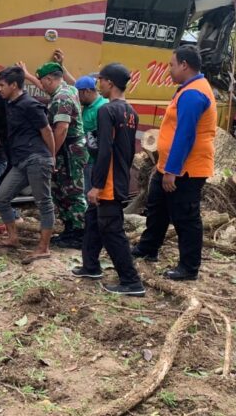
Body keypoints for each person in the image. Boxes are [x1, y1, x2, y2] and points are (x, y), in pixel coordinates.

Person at [132, 45, 217, 281]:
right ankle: (148, 249)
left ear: (184, 65)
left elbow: (185, 135)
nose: (169, 69)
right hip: (170, 165)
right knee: (157, 209)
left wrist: (172, 170)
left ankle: (189, 268)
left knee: (185, 218)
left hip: (186, 169)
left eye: (171, 65)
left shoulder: (194, 94)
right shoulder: (187, 89)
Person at [0, 62, 56, 263]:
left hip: (36, 158)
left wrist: (51, 158)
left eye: (3, 85)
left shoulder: (31, 105)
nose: (0, 88)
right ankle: (13, 238)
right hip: (20, 161)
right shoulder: (8, 101)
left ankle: (43, 248)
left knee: (44, 202)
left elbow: (47, 131)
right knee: (1, 197)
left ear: (14, 86)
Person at [72, 64, 145, 296]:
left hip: (109, 180)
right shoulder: (131, 112)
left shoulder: (107, 111)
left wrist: (97, 185)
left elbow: (105, 151)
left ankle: (131, 281)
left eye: (100, 80)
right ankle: (90, 266)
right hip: (120, 175)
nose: (98, 84)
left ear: (110, 83)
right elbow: (129, 151)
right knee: (93, 219)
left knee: (111, 229)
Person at [21, 61, 88, 249]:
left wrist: (50, 155)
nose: (41, 86)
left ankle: (80, 234)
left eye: (43, 82)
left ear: (50, 79)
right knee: (61, 191)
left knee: (72, 193)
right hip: (69, 151)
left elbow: (61, 129)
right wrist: (28, 75)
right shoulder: (68, 89)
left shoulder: (62, 99)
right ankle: (70, 230)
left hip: (68, 152)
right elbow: (45, 87)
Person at [75, 75, 109, 195]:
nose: (77, 98)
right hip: (86, 160)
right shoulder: (89, 106)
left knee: (90, 196)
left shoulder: (101, 108)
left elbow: (101, 138)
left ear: (87, 91)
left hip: (93, 161)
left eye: (79, 94)